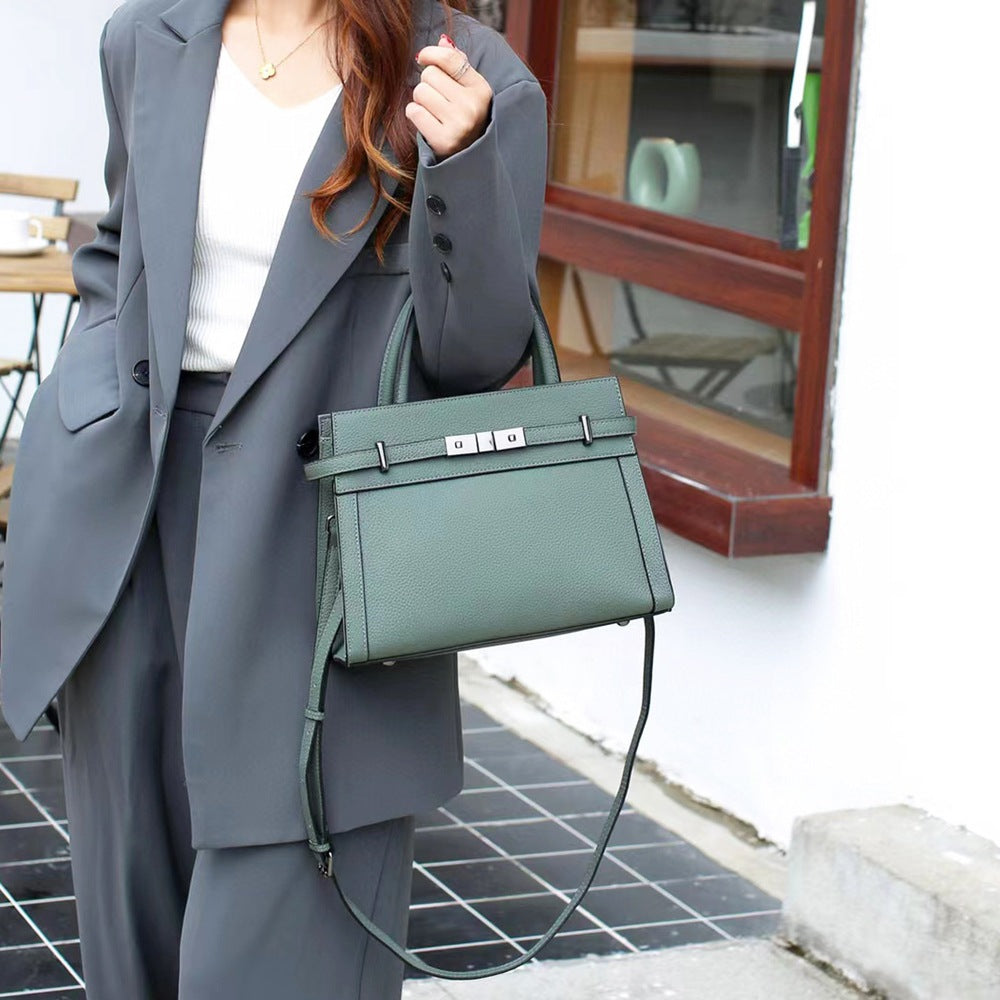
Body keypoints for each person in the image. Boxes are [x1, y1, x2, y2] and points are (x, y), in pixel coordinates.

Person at [0, 0, 548, 996]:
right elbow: (120, 254)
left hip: (323, 555)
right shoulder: (149, 38)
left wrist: (463, 163)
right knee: (133, 947)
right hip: (132, 522)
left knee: (281, 949)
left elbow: (475, 356)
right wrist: (83, 406)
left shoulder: (467, 77)